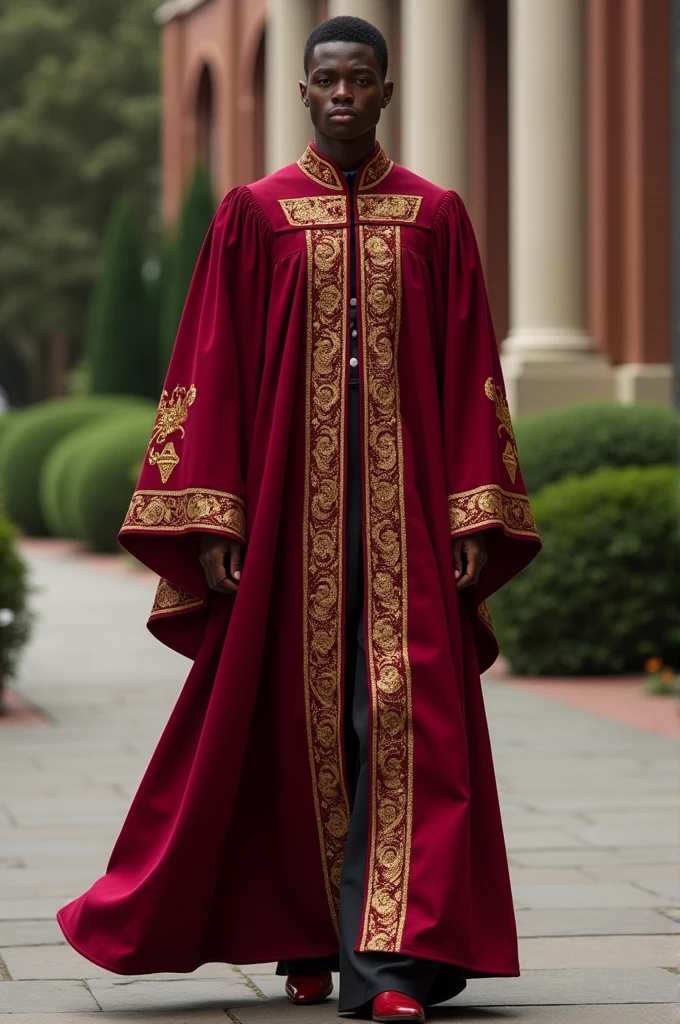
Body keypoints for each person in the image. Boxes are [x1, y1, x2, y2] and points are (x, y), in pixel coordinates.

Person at [57, 16, 540, 1023]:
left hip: (405, 519)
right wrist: (211, 515)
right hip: (285, 520)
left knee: (403, 717)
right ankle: (306, 932)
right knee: (286, 722)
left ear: (386, 90)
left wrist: (469, 509)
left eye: (360, 79)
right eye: (325, 79)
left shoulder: (434, 218)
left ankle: (390, 963)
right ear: (303, 90)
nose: (341, 96)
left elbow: (469, 379)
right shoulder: (254, 216)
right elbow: (211, 369)